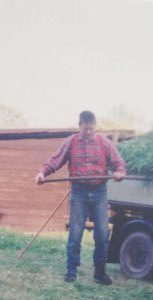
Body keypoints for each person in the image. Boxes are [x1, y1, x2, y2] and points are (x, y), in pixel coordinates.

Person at [35, 111, 127, 284]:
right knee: (75, 233)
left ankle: (100, 273)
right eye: (85, 129)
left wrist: (120, 172)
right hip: (79, 193)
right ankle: (71, 271)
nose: (88, 132)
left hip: (99, 192)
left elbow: (119, 163)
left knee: (102, 233)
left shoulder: (104, 143)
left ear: (95, 126)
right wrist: (42, 172)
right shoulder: (71, 142)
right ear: (80, 126)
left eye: (91, 129)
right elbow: (55, 160)